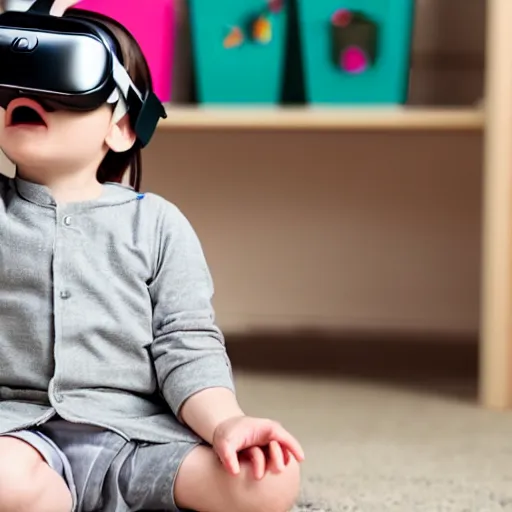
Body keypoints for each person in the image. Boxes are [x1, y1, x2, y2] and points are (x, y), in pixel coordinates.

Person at [0, 3, 304, 512]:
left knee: (270, 480)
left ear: (121, 127)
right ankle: (51, 496)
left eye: (64, 81)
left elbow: (186, 343)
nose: (32, 97)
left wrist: (226, 422)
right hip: (18, 433)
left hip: (136, 438)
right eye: (16, 87)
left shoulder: (158, 224)